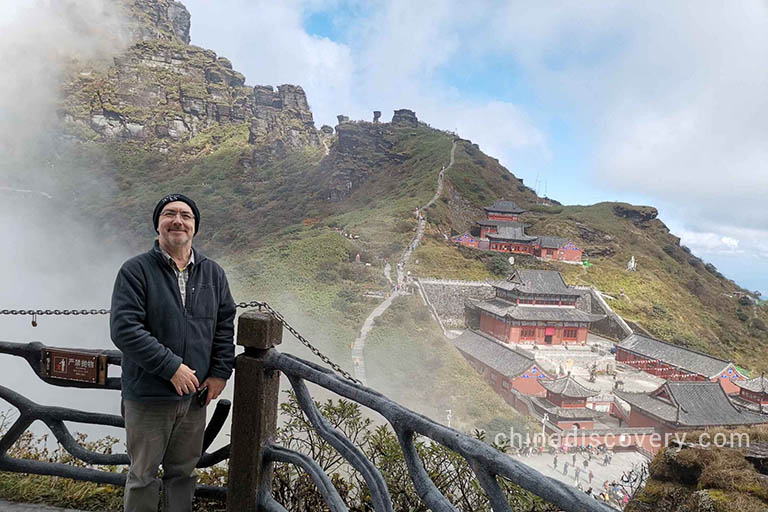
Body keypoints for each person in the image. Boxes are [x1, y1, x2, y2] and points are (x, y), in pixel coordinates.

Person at [111, 193, 236, 512]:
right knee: (143, 476)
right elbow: (125, 329)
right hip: (148, 395)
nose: (177, 220)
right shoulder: (135, 271)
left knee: (183, 474)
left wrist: (221, 372)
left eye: (186, 216)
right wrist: (171, 368)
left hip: (194, 399)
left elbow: (224, 323)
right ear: (158, 225)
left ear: (195, 227)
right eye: (169, 214)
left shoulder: (213, 273)